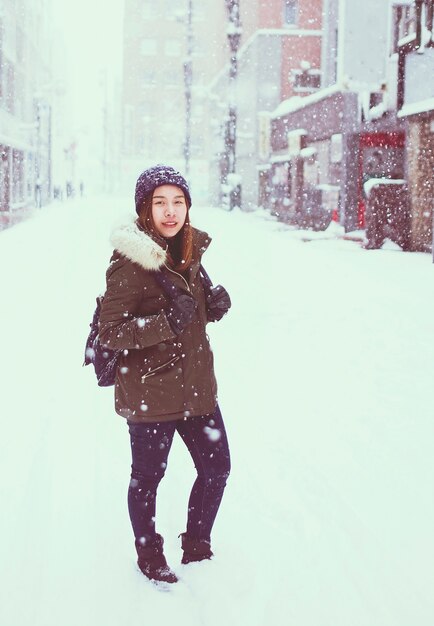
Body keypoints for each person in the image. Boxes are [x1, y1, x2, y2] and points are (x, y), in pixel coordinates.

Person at [98, 165, 231, 585]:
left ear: (188, 207)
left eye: (178, 202)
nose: (170, 212)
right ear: (144, 209)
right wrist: (165, 322)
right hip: (150, 392)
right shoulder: (130, 263)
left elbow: (190, 317)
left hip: (196, 387)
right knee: (148, 479)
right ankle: (149, 555)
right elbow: (111, 331)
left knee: (217, 470)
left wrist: (213, 308)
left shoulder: (189, 252)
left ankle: (196, 544)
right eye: (160, 203)